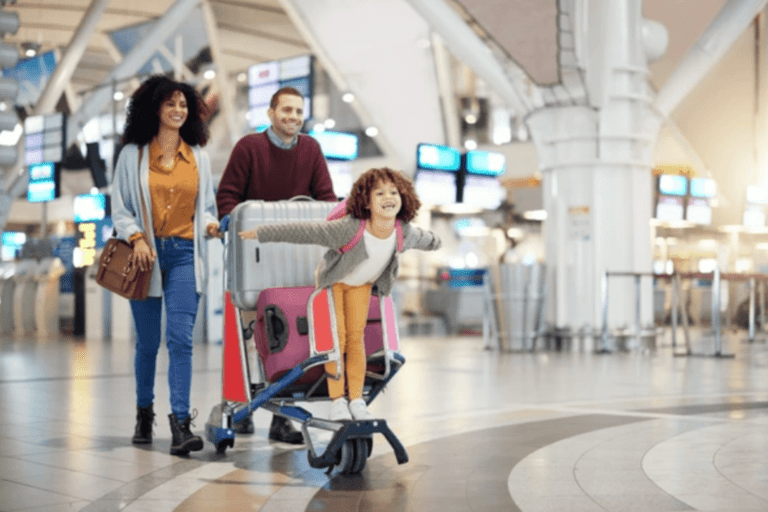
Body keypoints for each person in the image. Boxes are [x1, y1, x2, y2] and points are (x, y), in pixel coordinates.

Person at [239, 167, 441, 421]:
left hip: (362, 286)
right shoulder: (350, 228)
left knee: (356, 340)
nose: (388, 197)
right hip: (334, 285)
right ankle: (337, 401)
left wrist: (436, 242)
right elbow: (305, 232)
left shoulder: (403, 231)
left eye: (394, 192)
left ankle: (355, 399)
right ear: (366, 201)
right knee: (337, 340)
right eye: (379, 193)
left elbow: (424, 238)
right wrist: (262, 233)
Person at [216, 86, 336, 443]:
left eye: (299, 111)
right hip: (254, 256)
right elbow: (227, 197)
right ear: (270, 114)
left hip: (296, 256)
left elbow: (326, 198)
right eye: (286, 110)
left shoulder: (311, 149)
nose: (294, 118)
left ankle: (280, 416)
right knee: (249, 334)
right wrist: (228, 221)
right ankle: (237, 403)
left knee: (285, 335)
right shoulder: (249, 148)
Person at [112, 75, 220, 456]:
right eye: (170, 103)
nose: (178, 110)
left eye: (183, 105)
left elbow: (206, 206)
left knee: (181, 340)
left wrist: (210, 224)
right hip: (145, 257)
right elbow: (121, 208)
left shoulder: (199, 157)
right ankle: (144, 413)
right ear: (154, 108)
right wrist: (136, 238)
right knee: (148, 343)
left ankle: (180, 424)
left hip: (186, 256)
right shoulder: (133, 155)